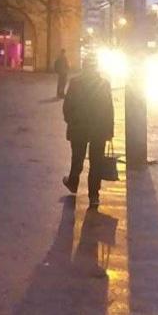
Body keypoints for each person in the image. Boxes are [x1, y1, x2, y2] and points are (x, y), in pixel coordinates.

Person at [61, 55, 114, 207]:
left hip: (79, 128)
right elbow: (109, 109)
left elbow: (67, 105)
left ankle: (73, 183)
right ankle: (94, 196)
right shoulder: (104, 84)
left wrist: (70, 120)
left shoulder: (75, 83)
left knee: (77, 158)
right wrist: (109, 130)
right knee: (96, 162)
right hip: (98, 129)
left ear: (83, 67)